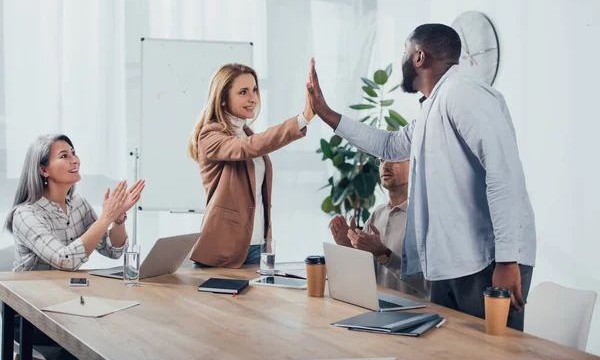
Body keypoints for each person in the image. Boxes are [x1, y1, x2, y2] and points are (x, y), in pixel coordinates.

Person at [307, 23, 536, 331]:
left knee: (493, 358)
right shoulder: (434, 106)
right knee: (447, 356)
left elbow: (503, 174)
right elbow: (388, 144)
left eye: (404, 51)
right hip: (452, 262)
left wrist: (507, 261)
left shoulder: (463, 93)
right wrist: (325, 112)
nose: (402, 57)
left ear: (418, 57)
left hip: (488, 261)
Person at [4, 134, 145, 360]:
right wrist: (106, 217)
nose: (75, 160)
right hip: (31, 311)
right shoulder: (26, 214)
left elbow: (112, 250)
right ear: (43, 170)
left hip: (68, 302)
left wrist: (118, 219)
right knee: (91, 346)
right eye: (64, 156)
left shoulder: (78, 203)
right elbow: (65, 260)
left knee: (122, 334)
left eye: (74, 153)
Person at [188, 63, 314, 268]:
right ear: (222, 99)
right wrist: (302, 119)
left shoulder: (245, 133)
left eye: (254, 90)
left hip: (257, 247)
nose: (253, 98)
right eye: (243, 92)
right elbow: (247, 148)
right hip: (223, 249)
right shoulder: (210, 135)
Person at [329, 158, 429, 299]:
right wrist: (348, 246)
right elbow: (367, 274)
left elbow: (430, 285)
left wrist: (384, 254)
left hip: (419, 315)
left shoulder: (425, 217)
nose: (385, 166)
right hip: (380, 309)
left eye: (395, 160)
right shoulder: (377, 214)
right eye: (381, 160)